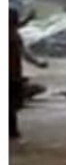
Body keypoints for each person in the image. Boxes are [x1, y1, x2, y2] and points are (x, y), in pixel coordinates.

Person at [10, 8, 47, 140]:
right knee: (12, 105)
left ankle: (12, 132)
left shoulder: (15, 35)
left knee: (13, 105)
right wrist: (38, 63)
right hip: (13, 76)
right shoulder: (14, 36)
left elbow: (24, 53)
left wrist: (38, 63)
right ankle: (12, 132)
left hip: (14, 76)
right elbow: (25, 53)